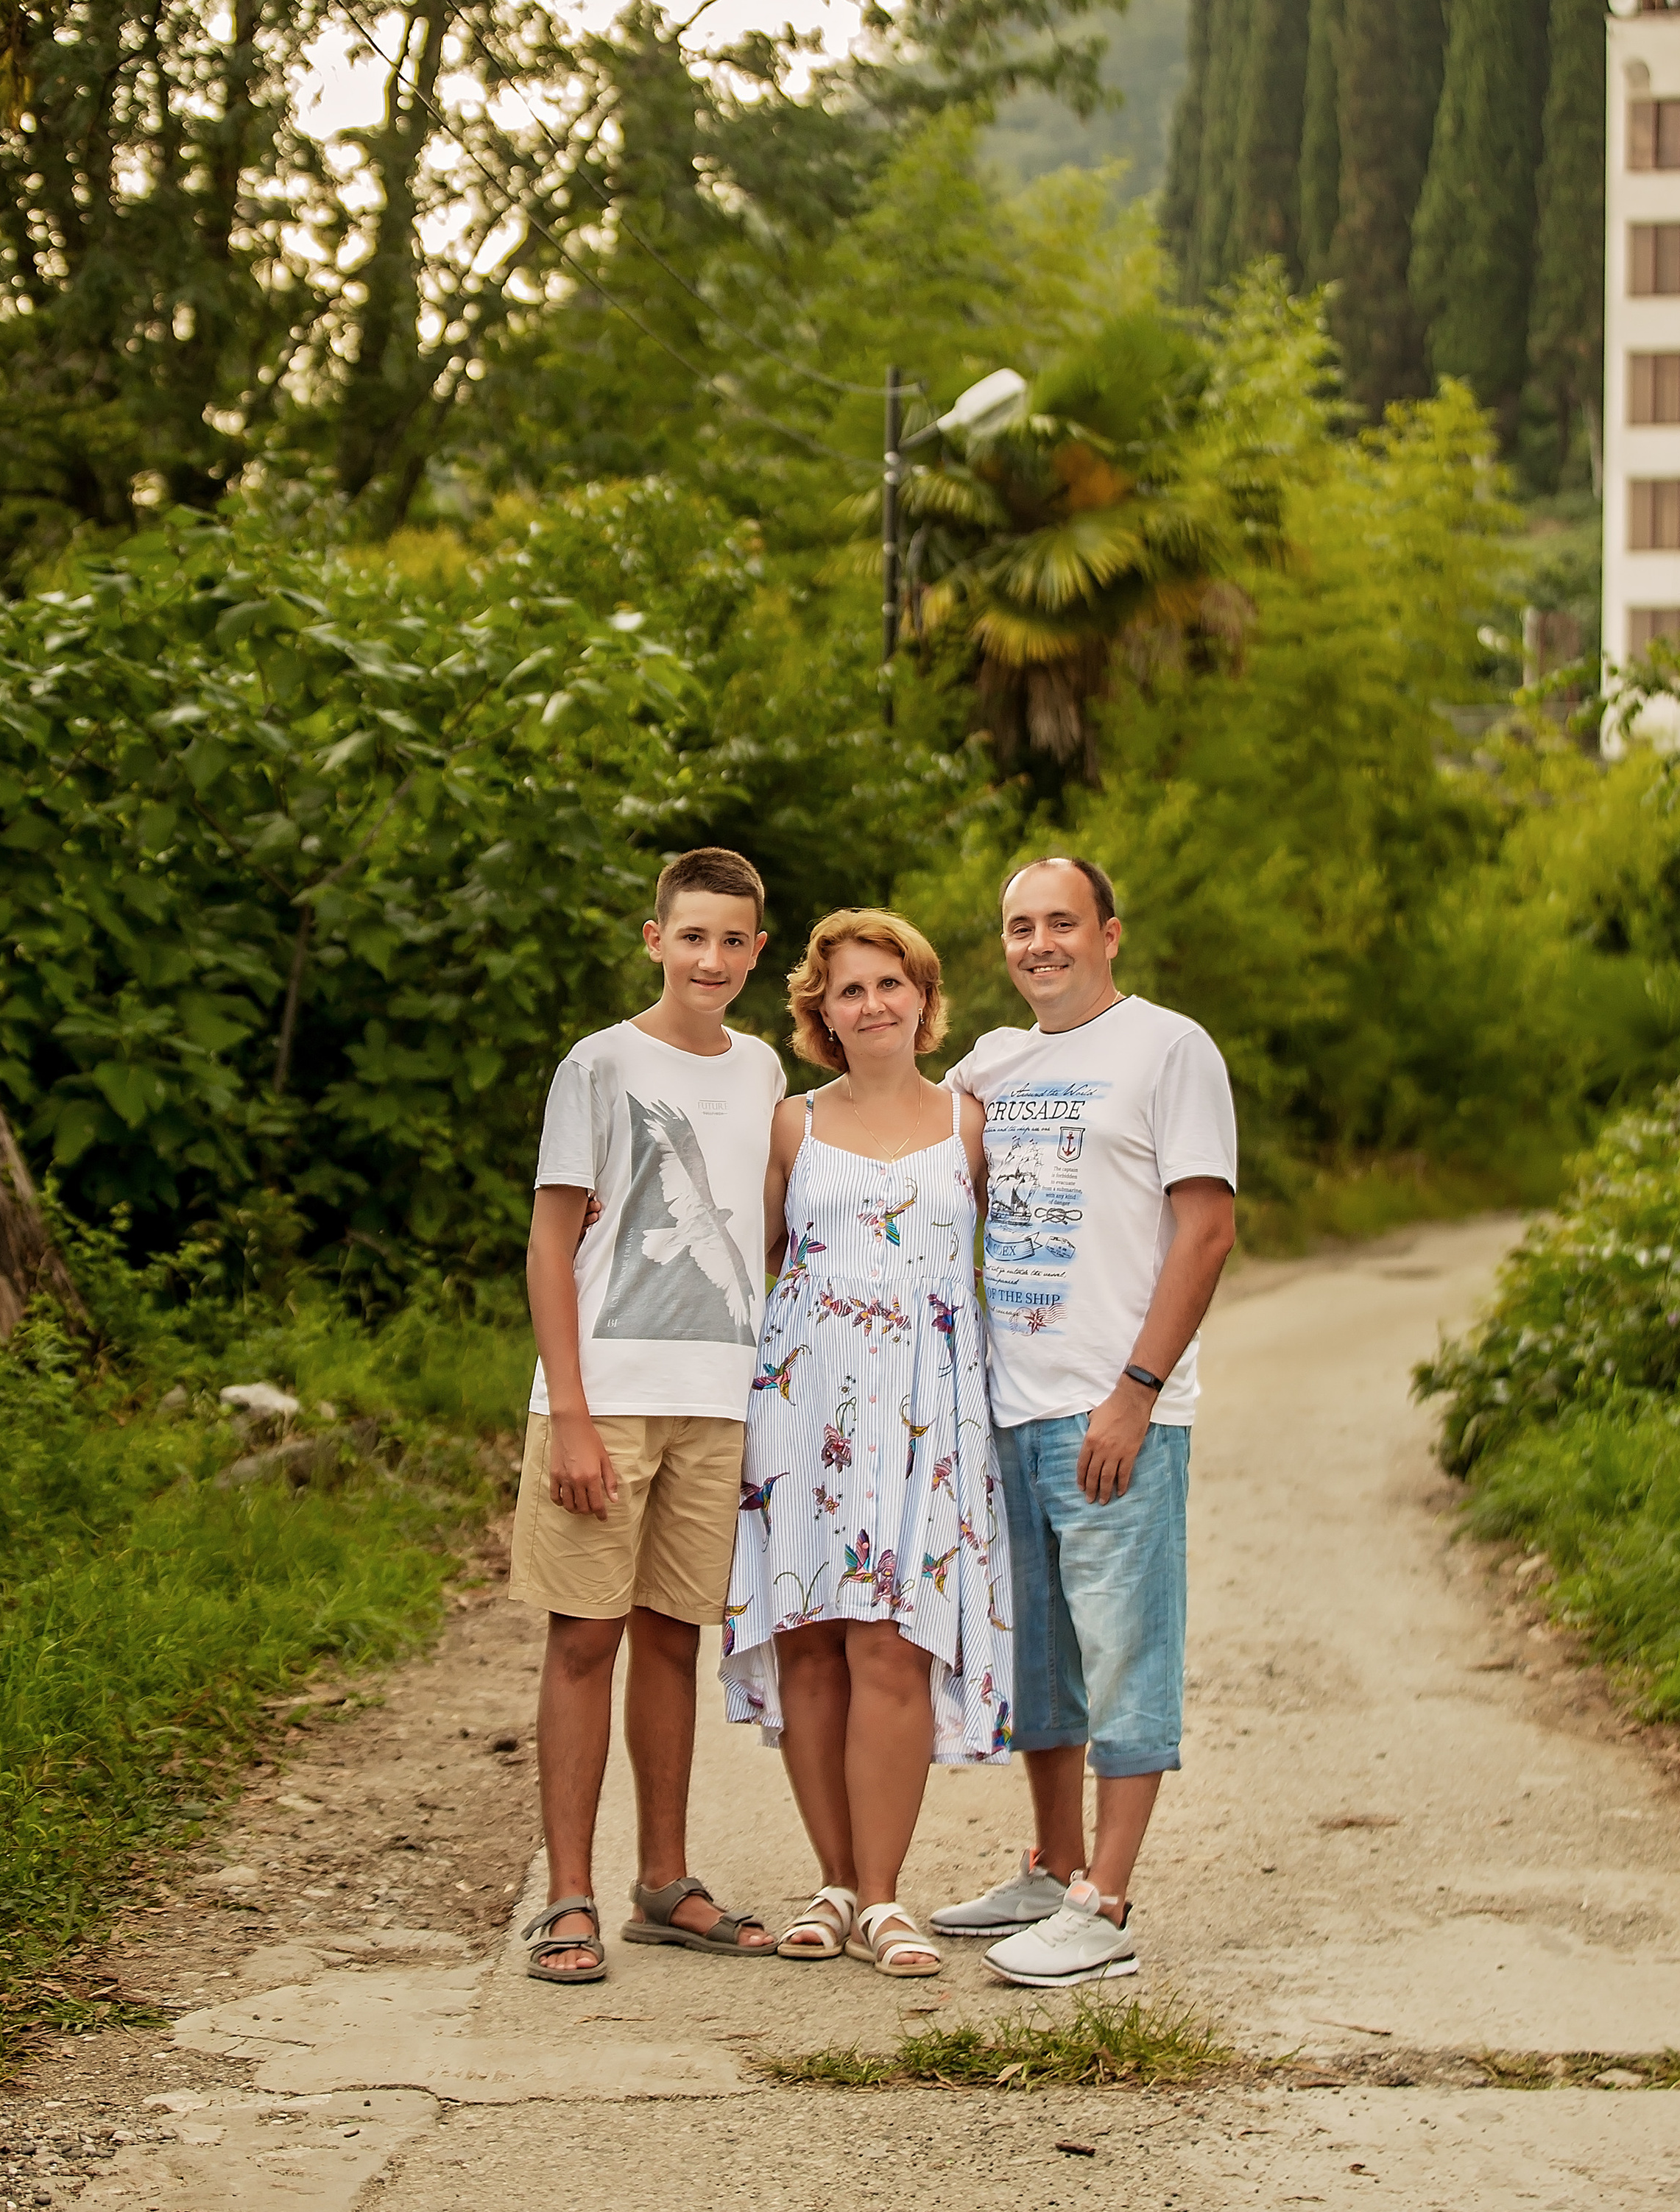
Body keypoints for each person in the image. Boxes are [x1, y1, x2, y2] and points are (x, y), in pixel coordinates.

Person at [931, 856, 1236, 1988]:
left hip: (1117, 1411)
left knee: (1125, 1654)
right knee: (1041, 1661)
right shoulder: (994, 1064)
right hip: (1008, 1409)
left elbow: (1205, 1230)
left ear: (1110, 931)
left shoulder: (1170, 1047)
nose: (1039, 942)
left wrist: (1138, 1390)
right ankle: (1053, 1863)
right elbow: (894, 1153)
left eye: (1062, 921)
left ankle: (1104, 1905)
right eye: (1019, 926)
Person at [510, 848, 786, 1985]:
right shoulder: (601, 1064)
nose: (710, 958)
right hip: (608, 1398)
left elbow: (767, 1230)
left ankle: (663, 1884)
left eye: (732, 940)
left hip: (715, 1404)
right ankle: (566, 1897)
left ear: (758, 951)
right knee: (585, 1638)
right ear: (654, 939)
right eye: (692, 937)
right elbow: (549, 1240)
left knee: (675, 1639)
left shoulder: (765, 1070)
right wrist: (571, 1413)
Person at [721, 908, 1009, 1978]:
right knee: (811, 1639)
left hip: (926, 1415)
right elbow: (746, 1256)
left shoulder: (971, 1123)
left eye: (892, 984)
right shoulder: (791, 1127)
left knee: (891, 1644)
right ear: (822, 1014)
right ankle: (834, 1882)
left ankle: (887, 1899)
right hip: (804, 1413)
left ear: (926, 1002)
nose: (874, 1003)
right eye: (851, 989)